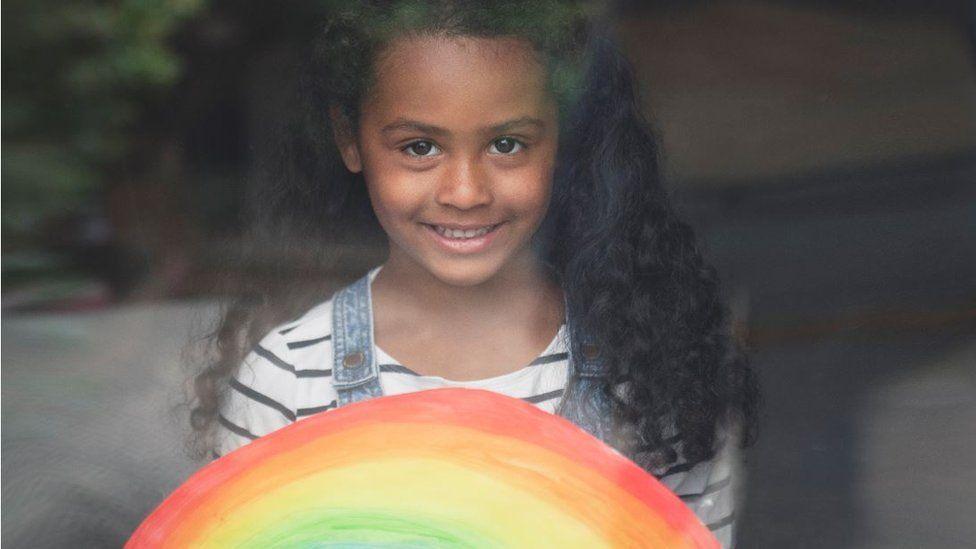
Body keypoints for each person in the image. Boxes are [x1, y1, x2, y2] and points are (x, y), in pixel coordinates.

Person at [189, 1, 759, 546]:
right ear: (349, 138)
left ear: (564, 142)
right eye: (419, 147)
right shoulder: (289, 382)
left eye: (507, 145)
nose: (465, 192)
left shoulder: (654, 371)